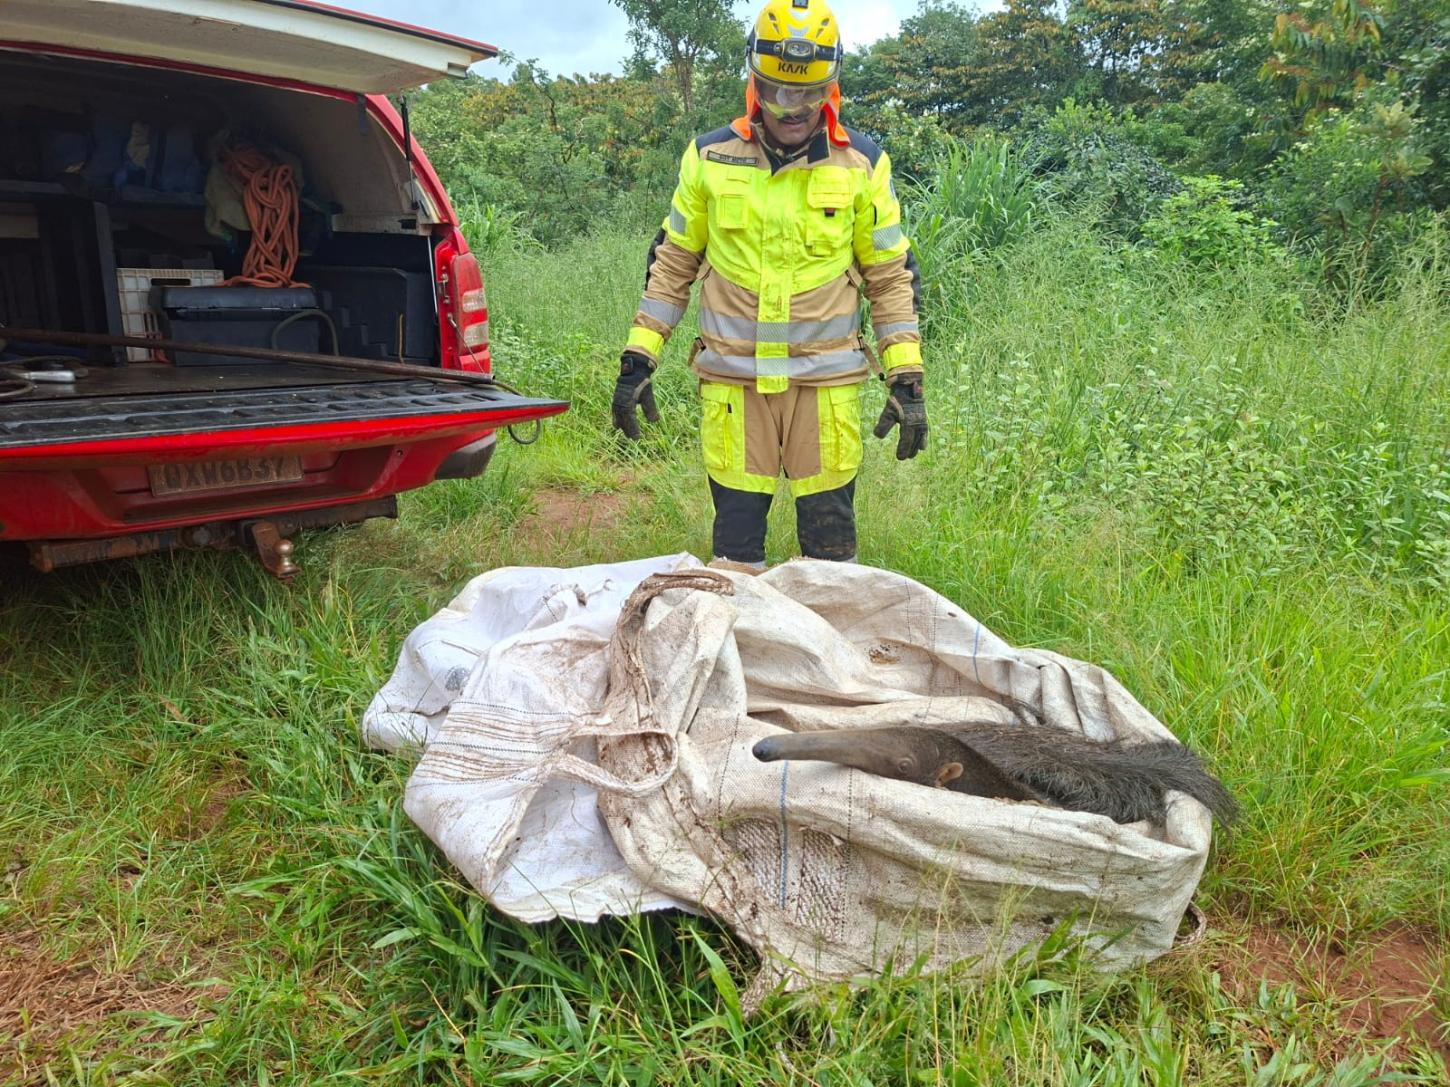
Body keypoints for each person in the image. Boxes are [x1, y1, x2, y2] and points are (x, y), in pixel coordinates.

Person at [611, 0, 926, 568]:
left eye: (808, 93)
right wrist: (639, 356)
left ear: (830, 88)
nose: (792, 107)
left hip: (824, 386)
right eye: (779, 90)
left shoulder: (862, 163)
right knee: (735, 555)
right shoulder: (709, 157)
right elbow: (674, 261)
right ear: (754, 80)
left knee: (831, 556)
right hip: (736, 385)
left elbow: (889, 274)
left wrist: (905, 376)